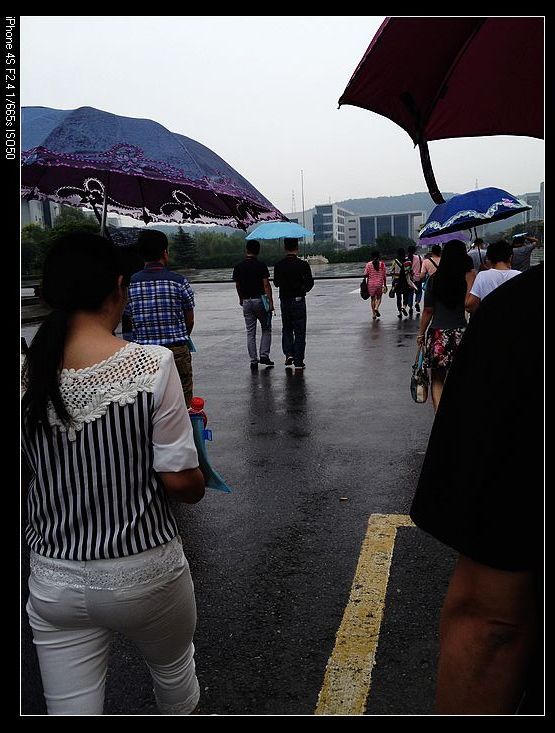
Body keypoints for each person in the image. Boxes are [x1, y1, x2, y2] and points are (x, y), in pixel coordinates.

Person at [21, 233, 206, 716]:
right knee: (174, 678)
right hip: (145, 572)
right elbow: (182, 485)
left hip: (54, 578)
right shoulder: (152, 365)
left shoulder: (27, 373)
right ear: (119, 288)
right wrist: (201, 469)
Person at [410, 264, 544, 714]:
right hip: (460, 336)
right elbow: (468, 305)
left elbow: (493, 622)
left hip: (453, 343)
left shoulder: (524, 314)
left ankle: (447, 423)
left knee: (439, 383)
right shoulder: (495, 286)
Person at [125, 229, 196, 407]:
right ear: (165, 253)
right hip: (176, 351)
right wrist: (182, 337)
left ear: (141, 254)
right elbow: (190, 319)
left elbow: (128, 316)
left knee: (149, 401)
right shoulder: (178, 281)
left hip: (144, 354)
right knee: (182, 401)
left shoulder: (130, 283)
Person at [416, 240, 474, 411]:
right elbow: (469, 304)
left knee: (437, 380)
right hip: (461, 333)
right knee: (462, 378)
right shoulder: (469, 277)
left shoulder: (434, 279)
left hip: (438, 335)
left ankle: (440, 418)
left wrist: (421, 333)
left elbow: (428, 310)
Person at [232, 239, 275, 371]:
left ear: (247, 250)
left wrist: (241, 298)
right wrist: (270, 302)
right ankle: (264, 355)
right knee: (266, 328)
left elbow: (237, 285)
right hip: (260, 300)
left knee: (250, 332)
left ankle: (253, 360)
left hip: (246, 301)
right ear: (258, 251)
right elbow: (266, 285)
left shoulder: (238, 267)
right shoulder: (261, 265)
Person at [273, 238, 314, 371]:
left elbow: (276, 283)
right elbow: (310, 283)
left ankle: (289, 353)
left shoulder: (279, 265)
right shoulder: (303, 265)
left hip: (284, 300)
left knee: (287, 328)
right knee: (300, 330)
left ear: (285, 248)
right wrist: (303, 289)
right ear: (297, 248)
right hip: (298, 300)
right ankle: (298, 361)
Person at [465, 240, 521, 315]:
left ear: (489, 259)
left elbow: (470, 306)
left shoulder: (482, 276)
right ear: (510, 257)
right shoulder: (519, 275)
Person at [389, 247, 414, 319]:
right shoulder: (408, 262)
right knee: (406, 296)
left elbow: (392, 271)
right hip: (406, 281)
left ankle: (400, 312)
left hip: (397, 282)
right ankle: (404, 307)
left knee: (398, 297)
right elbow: (411, 272)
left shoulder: (395, 261)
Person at [363, 249, 387, 320]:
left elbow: (365, 274)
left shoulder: (368, 264)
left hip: (370, 284)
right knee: (379, 298)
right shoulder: (382, 264)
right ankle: (376, 307)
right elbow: (384, 276)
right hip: (379, 284)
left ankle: (374, 314)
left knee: (372, 299)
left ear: (372, 256)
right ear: (379, 256)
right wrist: (385, 284)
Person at [406, 244, 423, 316]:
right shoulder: (419, 257)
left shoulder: (406, 259)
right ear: (415, 251)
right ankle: (417, 302)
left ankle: (410, 308)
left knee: (410, 293)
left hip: (409, 280)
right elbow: (422, 267)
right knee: (419, 291)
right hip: (418, 278)